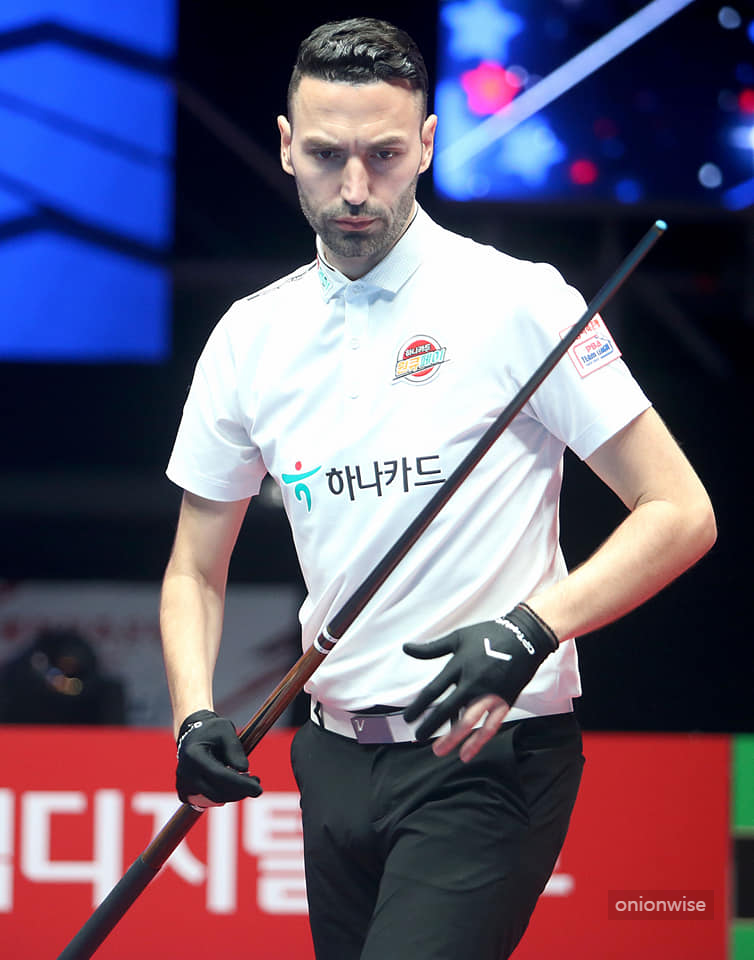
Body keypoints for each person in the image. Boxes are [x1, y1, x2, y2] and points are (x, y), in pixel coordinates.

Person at [160, 17, 716, 960]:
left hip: (486, 751)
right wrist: (193, 716)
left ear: (426, 143)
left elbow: (681, 512)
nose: (354, 188)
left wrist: (531, 628)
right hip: (329, 755)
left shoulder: (518, 300)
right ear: (286, 146)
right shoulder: (248, 338)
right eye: (327, 155)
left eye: (383, 155)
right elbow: (192, 572)